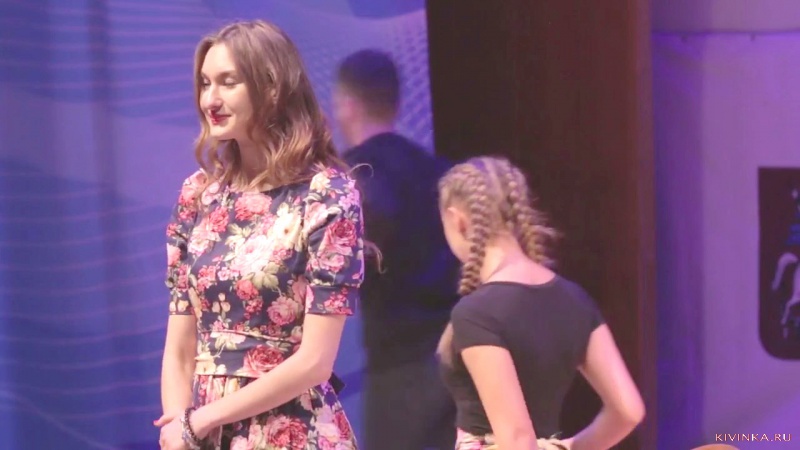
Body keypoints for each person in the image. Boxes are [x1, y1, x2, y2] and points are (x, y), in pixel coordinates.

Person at [154, 20, 364, 450]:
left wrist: (200, 421)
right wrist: (180, 425)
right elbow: (180, 346)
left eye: (228, 82)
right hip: (204, 432)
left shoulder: (326, 196)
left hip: (291, 430)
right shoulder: (198, 196)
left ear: (271, 88)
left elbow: (316, 362)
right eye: (205, 83)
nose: (210, 99)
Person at [436, 156, 646, 450]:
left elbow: (517, 439)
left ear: (458, 221)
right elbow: (628, 411)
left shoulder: (476, 314)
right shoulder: (575, 300)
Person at [332, 49, 460, 449]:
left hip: (397, 368)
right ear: (397, 103)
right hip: (454, 358)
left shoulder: (350, 179)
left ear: (347, 105)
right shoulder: (439, 171)